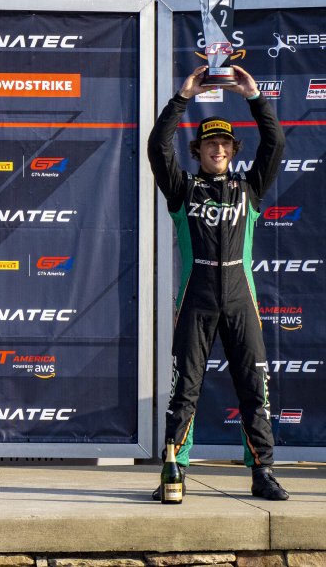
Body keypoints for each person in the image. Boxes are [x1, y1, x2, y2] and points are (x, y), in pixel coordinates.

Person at [147, 64, 288, 501]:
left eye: (225, 143)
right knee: (184, 391)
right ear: (199, 149)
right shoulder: (182, 190)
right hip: (197, 299)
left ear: (232, 149)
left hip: (242, 300)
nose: (218, 148)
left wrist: (254, 97)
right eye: (211, 143)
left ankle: (262, 472)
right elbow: (157, 147)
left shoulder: (250, 189)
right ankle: (174, 470)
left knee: (254, 389)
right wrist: (182, 98)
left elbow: (275, 144)